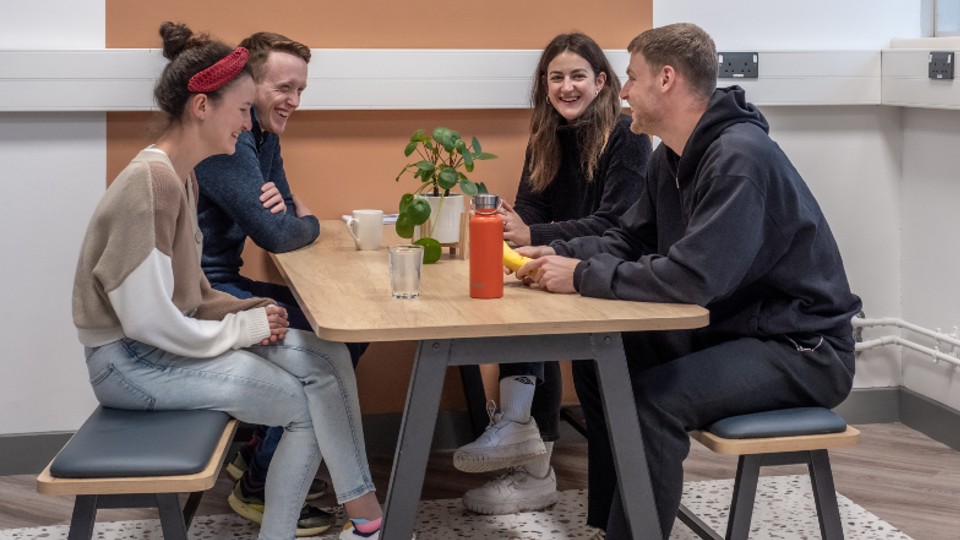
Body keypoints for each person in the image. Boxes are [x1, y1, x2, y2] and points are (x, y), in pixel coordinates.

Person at [513, 22, 862, 539]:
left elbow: (694, 278)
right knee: (603, 357)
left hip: (802, 349)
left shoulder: (739, 159)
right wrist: (559, 254)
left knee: (654, 401)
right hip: (736, 330)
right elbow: (630, 239)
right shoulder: (671, 156)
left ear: (666, 79)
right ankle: (614, 523)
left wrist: (582, 275)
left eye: (632, 78)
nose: (624, 92)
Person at [71, 22, 386, 540]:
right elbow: (147, 322)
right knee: (305, 404)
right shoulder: (151, 184)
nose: (247, 124)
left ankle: (367, 521)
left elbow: (192, 291)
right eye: (241, 110)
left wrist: (248, 311)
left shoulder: (181, 175)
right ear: (202, 107)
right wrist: (242, 329)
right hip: (129, 364)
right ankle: (348, 524)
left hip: (159, 349)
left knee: (327, 356)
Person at [452, 33, 651, 516]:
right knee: (513, 307)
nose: (567, 87)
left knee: (541, 323)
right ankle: (526, 446)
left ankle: (529, 452)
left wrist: (534, 233)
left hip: (611, 270)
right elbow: (532, 208)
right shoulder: (545, 136)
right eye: (556, 77)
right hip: (559, 258)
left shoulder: (628, 136)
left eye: (578, 76)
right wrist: (514, 225)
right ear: (544, 84)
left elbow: (616, 224)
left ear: (601, 81)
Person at [192, 31, 366, 535]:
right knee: (329, 343)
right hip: (206, 292)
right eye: (284, 88)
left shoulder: (263, 137)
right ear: (249, 84)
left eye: (301, 90)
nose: (294, 101)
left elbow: (283, 212)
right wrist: (306, 221)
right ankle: (260, 485)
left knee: (344, 324)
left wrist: (292, 218)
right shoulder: (229, 142)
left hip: (224, 279)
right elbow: (279, 231)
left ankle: (256, 452)